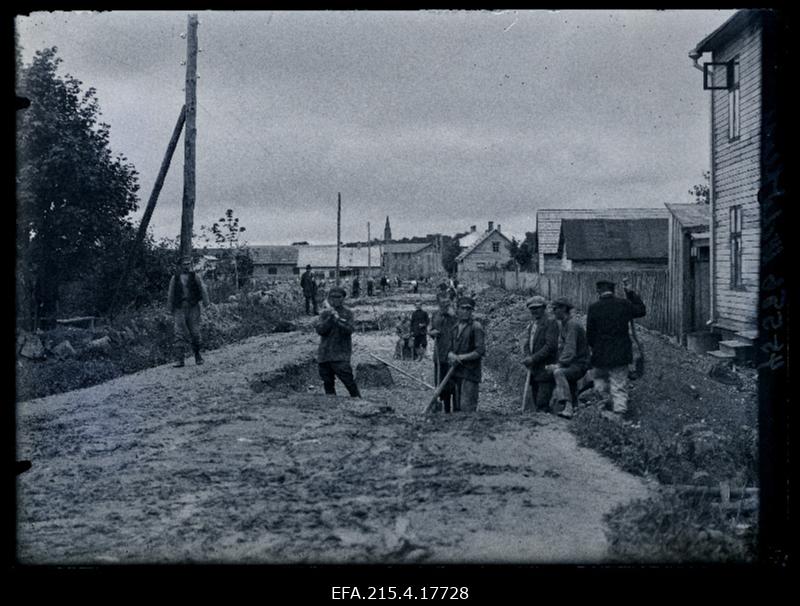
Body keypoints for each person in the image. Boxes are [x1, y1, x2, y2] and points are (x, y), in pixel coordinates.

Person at [586, 278, 646, 419]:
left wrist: (595, 349)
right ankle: (619, 415)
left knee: (600, 382)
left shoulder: (593, 307)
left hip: (600, 355)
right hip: (620, 353)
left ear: (599, 291)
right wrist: (630, 293)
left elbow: (589, 334)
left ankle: (602, 411)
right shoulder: (624, 304)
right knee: (619, 385)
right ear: (613, 290)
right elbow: (641, 311)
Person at [545, 297, 590, 419]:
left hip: (580, 363)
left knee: (558, 373)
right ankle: (574, 405)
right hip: (573, 363)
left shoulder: (572, 325)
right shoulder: (564, 324)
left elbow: (570, 349)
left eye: (555, 309)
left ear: (564, 308)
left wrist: (558, 365)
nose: (553, 311)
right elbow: (562, 349)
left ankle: (568, 406)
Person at [315, 286, 361, 398]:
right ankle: (333, 410)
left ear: (343, 298)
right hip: (325, 355)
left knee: (349, 383)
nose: (335, 300)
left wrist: (338, 321)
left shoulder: (347, 313)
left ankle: (360, 403)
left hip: (340, 355)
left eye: (338, 297)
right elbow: (320, 330)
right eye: (332, 297)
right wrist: (330, 319)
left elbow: (349, 330)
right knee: (328, 384)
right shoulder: (325, 314)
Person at [167, 256, 210, 367]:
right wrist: (169, 308)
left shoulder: (195, 277)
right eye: (184, 264)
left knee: (195, 333)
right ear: (180, 266)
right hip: (179, 308)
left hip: (193, 308)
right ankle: (180, 360)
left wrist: (206, 304)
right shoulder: (175, 278)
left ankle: (197, 356)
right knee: (179, 333)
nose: (186, 266)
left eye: (188, 264)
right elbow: (170, 294)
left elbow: (203, 290)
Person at [446, 296, 486, 412]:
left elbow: (480, 351)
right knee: (457, 406)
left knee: (467, 407)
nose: (465, 312)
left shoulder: (476, 327)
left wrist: (461, 357)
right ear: (457, 309)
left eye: (469, 309)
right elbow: (449, 348)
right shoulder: (454, 327)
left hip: (470, 372)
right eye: (463, 308)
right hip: (455, 372)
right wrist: (450, 355)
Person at [520, 295, 559, 412]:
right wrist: (527, 355)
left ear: (544, 308)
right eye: (532, 308)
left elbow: (550, 346)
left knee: (543, 403)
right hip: (535, 371)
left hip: (545, 370)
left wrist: (533, 359)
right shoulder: (533, 325)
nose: (534, 311)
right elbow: (527, 342)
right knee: (537, 401)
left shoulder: (550, 323)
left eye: (537, 308)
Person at [428, 296, 456, 412]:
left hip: (452, 354)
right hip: (439, 355)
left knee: (453, 384)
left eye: (447, 303)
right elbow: (431, 330)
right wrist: (431, 333)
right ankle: (445, 408)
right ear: (439, 305)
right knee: (441, 384)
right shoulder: (436, 316)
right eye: (442, 304)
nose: (445, 306)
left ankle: (456, 409)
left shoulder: (455, 316)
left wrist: (453, 315)